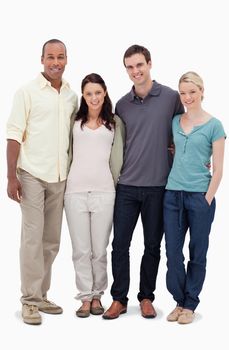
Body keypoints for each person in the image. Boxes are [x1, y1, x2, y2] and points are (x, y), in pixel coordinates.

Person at [103, 44, 184, 320]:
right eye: (129, 67)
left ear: (149, 63)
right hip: (126, 186)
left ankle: (147, 297)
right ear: (126, 70)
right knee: (119, 246)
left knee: (152, 245)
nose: (135, 71)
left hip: (159, 186)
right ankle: (118, 299)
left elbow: (183, 133)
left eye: (139, 65)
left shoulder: (171, 97)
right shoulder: (122, 105)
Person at [6, 39, 78, 325]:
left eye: (60, 57)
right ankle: (29, 301)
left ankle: (41, 294)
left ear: (67, 59)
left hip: (60, 178)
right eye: (51, 57)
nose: (55, 62)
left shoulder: (72, 96)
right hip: (32, 175)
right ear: (42, 59)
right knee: (32, 239)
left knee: (51, 241)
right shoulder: (27, 92)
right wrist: (11, 176)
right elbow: (13, 134)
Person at [164, 71, 226, 324]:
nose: (187, 97)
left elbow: (219, 169)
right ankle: (179, 301)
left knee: (197, 253)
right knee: (173, 253)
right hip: (172, 195)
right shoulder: (175, 121)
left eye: (192, 91)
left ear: (201, 91)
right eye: (183, 93)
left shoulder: (214, 125)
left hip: (200, 197)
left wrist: (207, 198)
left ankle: (190, 304)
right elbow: (173, 152)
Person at [64, 73, 125, 318]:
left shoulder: (115, 122)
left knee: (99, 249)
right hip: (75, 191)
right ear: (83, 96)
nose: (94, 98)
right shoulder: (74, 120)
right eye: (89, 93)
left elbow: (123, 153)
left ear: (105, 92)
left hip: (104, 191)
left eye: (97, 92)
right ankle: (84, 297)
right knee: (80, 249)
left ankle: (98, 295)